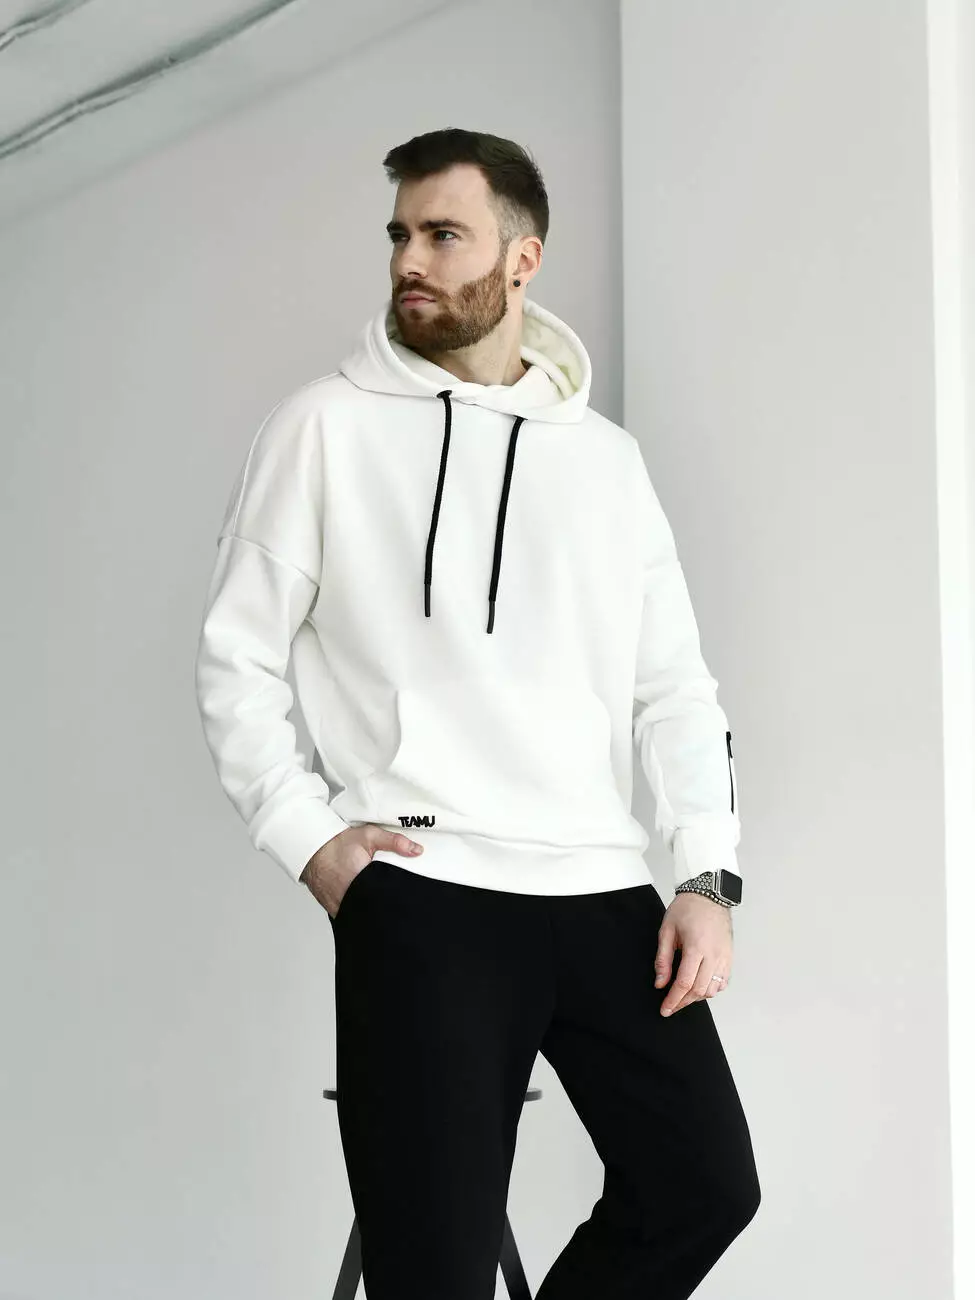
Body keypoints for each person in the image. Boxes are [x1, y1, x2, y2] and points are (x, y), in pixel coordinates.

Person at [195, 127, 760, 1300]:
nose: (410, 259)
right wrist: (311, 841)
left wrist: (705, 875)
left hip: (600, 890)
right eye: (400, 233)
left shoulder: (606, 462)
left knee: (702, 1184)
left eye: (444, 234)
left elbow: (675, 686)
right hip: (424, 895)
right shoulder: (323, 427)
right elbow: (234, 656)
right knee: (433, 1272)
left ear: (522, 258)